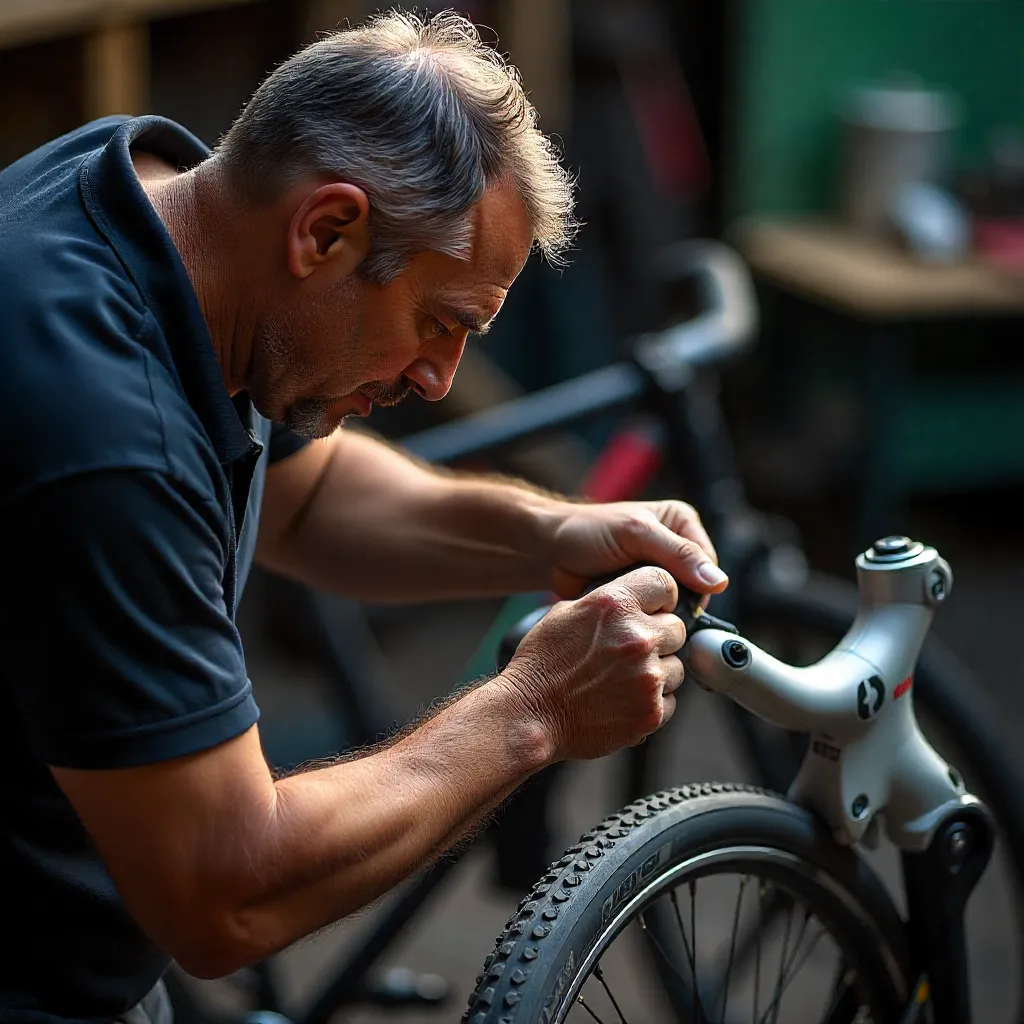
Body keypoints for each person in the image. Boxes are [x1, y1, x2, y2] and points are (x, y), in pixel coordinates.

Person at [0, 10, 729, 1023]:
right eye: (441, 323)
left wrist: (550, 532)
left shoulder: (147, 198)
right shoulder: (106, 435)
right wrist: (532, 709)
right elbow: (227, 893)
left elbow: (309, 494)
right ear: (327, 228)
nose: (438, 379)